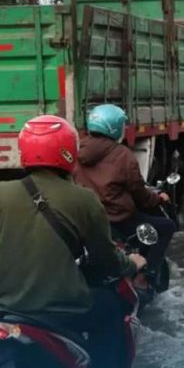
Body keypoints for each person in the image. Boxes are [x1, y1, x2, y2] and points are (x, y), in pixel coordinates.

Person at [0, 115, 145, 368]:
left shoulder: (3, 192)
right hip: (62, 311)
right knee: (111, 307)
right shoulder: (83, 199)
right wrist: (132, 263)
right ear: (69, 152)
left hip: (7, 311)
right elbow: (106, 260)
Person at [73, 104, 176, 291]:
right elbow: (140, 193)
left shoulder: (76, 150)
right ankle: (144, 277)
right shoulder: (122, 155)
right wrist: (157, 198)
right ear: (115, 127)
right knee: (167, 227)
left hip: (85, 220)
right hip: (118, 220)